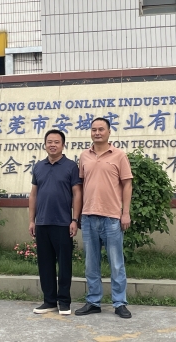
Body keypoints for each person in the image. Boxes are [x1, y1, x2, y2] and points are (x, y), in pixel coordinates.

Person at [75, 117, 133, 319]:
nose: (97, 132)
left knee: (116, 263)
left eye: (101, 129)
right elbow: (80, 186)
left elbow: (127, 184)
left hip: (111, 218)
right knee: (91, 264)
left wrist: (125, 213)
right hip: (89, 217)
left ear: (109, 132)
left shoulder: (119, 155)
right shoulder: (84, 156)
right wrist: (77, 215)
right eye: (94, 129)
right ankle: (93, 301)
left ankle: (120, 303)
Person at [29, 129, 82, 315]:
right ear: (45, 145)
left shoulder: (71, 167)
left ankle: (64, 302)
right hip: (42, 222)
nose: (52, 145)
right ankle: (49, 301)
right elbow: (33, 194)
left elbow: (77, 193)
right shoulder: (38, 167)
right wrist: (32, 220)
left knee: (65, 263)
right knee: (45, 263)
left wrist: (75, 219)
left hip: (63, 223)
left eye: (56, 142)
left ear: (63, 145)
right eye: (49, 142)